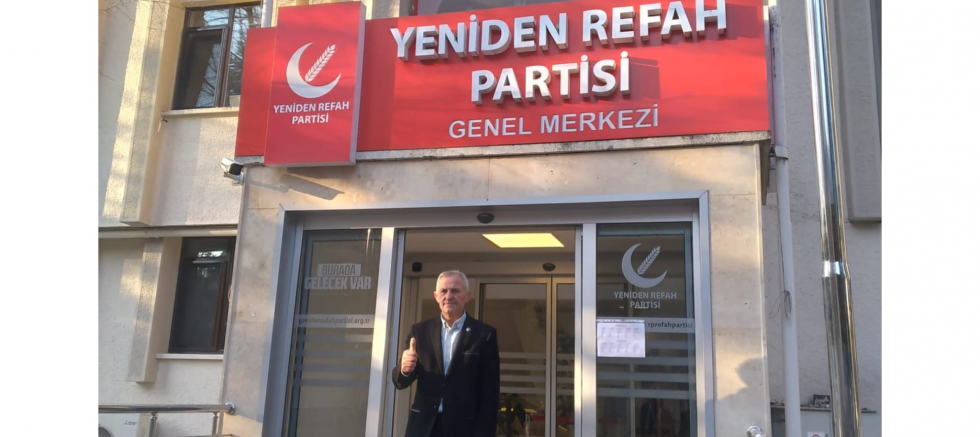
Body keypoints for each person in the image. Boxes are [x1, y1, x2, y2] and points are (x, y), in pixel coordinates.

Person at [391, 270, 500, 437]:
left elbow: (490, 392)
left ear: (467, 296)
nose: (448, 296)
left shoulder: (484, 334)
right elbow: (400, 382)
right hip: (424, 428)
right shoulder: (420, 331)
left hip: (464, 428)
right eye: (443, 291)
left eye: (455, 290)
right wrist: (404, 369)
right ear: (436, 296)